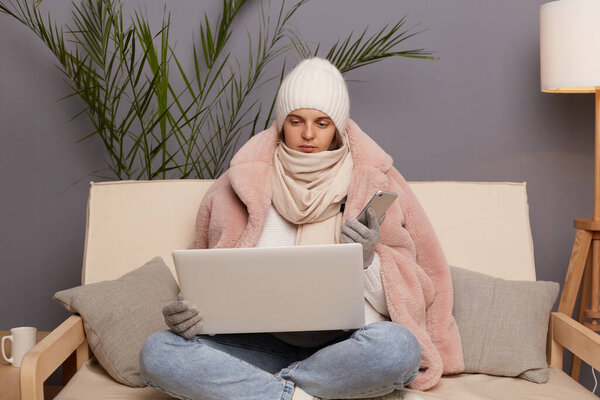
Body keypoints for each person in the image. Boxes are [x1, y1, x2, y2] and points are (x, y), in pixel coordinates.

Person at [139, 57, 464, 400]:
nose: (308, 134)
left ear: (337, 127)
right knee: (157, 351)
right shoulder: (233, 185)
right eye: (296, 121)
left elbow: (416, 288)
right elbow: (205, 275)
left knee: (398, 348)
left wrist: (368, 260)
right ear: (281, 123)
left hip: (346, 347)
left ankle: (258, 389)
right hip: (255, 344)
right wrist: (186, 313)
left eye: (322, 123)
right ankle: (296, 394)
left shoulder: (375, 183)